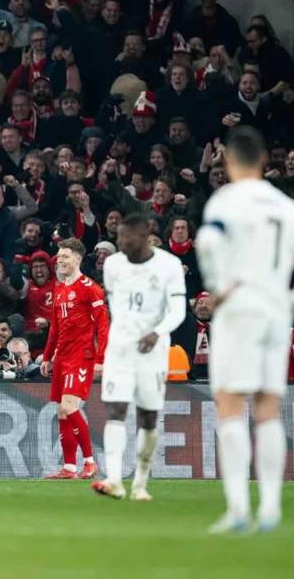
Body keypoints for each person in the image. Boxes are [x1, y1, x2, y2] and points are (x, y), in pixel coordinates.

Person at [196, 126, 294, 533]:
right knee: (269, 407)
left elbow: (208, 240)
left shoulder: (227, 200)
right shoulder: (283, 206)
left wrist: (218, 284)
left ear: (229, 162)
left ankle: (239, 508)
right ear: (263, 162)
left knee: (229, 404)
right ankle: (271, 507)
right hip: (276, 312)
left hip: (239, 309)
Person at [92, 213, 186, 501]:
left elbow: (178, 311)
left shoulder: (169, 265)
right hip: (120, 349)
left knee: (148, 417)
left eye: (126, 237)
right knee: (116, 409)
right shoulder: (113, 264)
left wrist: (156, 332)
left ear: (145, 233)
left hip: (153, 351)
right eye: (119, 236)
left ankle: (141, 484)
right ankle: (114, 479)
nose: (121, 242)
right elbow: (116, 305)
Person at [41, 238, 109, 480]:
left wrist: (100, 357)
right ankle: (69, 467)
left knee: (70, 407)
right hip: (62, 357)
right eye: (59, 257)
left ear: (78, 259)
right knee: (61, 411)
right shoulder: (59, 288)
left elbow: (103, 324)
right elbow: (55, 328)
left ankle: (90, 462)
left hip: (82, 356)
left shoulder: (90, 287)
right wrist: (48, 356)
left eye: (65, 257)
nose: (60, 261)